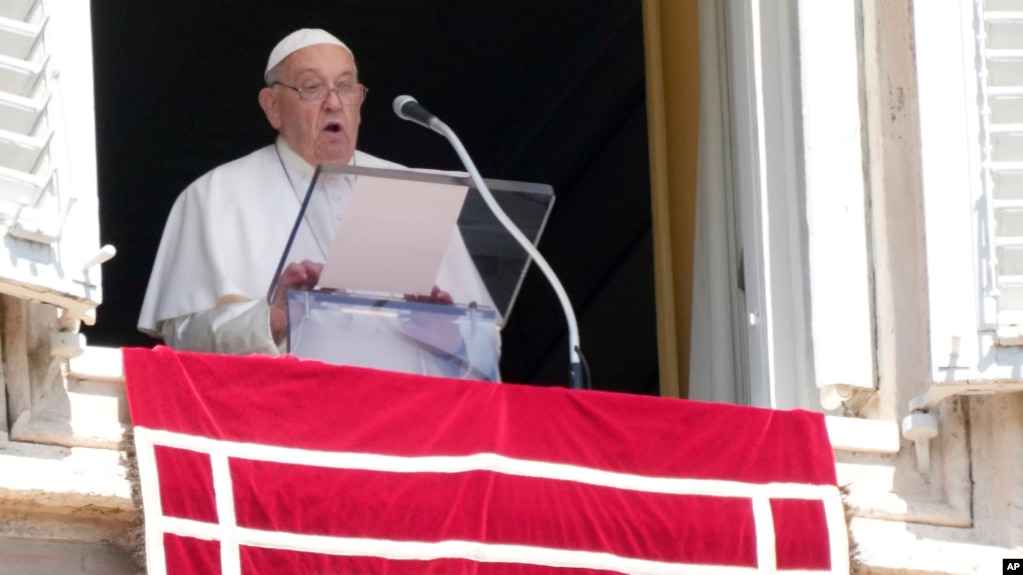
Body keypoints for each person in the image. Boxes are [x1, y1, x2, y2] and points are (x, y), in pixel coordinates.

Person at [138, 28, 499, 379]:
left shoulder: (414, 193)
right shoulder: (216, 195)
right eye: (312, 88)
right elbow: (182, 345)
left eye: (345, 87)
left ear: (360, 101)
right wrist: (273, 316)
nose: (333, 103)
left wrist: (450, 339)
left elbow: (487, 342)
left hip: (411, 427)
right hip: (286, 425)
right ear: (273, 107)